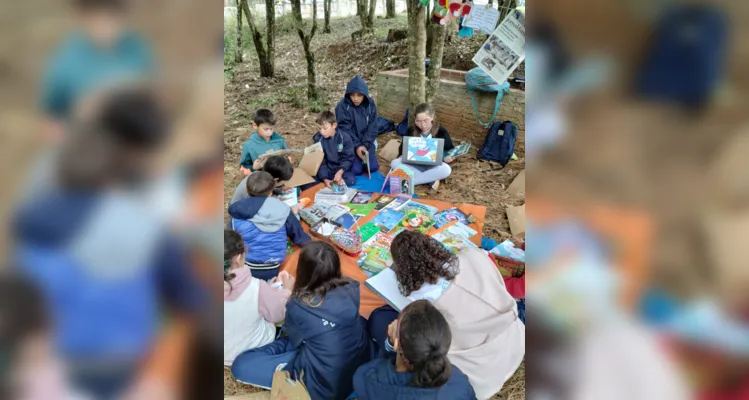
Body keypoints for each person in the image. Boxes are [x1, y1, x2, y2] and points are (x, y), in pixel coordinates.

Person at [13, 86, 206, 399]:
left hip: (45, 359)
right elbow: (189, 297)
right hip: (119, 363)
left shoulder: (43, 190)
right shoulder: (138, 224)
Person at [367, 231, 524, 399]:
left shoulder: (423, 302)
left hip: (478, 376)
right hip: (516, 343)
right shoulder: (473, 256)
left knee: (379, 319)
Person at [231, 242, 372, 400]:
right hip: (355, 369)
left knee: (242, 365)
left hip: (322, 388)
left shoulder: (299, 305)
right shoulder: (351, 287)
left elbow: (293, 341)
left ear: (303, 271)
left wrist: (288, 292)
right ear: (336, 267)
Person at [41, 0, 154, 140]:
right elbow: (51, 119)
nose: (105, 26)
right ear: (84, 19)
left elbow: (153, 96)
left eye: (111, 18)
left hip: (132, 137)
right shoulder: (66, 61)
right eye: (98, 18)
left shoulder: (136, 50)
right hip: (85, 140)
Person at [353, 299, 476, 400]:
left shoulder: (366, 377)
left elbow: (378, 368)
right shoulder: (459, 381)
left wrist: (388, 345)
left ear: (396, 344)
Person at [224, 230, 294, 366]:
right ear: (239, 258)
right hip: (249, 352)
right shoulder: (256, 287)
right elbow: (277, 316)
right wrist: (286, 291)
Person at [227, 171, 310, 280]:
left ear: (246, 189)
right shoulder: (282, 209)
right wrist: (309, 242)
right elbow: (298, 235)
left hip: (245, 265)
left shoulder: (237, 213)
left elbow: (230, 242)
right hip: (274, 265)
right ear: (271, 193)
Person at [393, 103, 455, 186]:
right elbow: (402, 148)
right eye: (418, 121)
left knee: (446, 169)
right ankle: (429, 180)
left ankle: (409, 181)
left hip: (432, 166)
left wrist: (447, 157)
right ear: (415, 119)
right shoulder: (411, 130)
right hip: (412, 165)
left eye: (426, 120)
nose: (422, 125)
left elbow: (449, 149)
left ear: (432, 117)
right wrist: (402, 155)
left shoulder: (441, 131)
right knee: (394, 163)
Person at [335, 75, 380, 175]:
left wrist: (365, 145)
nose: (355, 99)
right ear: (348, 95)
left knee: (373, 167)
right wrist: (357, 146)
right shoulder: (342, 106)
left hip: (366, 142)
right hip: (350, 143)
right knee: (356, 170)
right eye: (352, 95)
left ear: (364, 95)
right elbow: (344, 129)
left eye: (359, 95)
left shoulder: (370, 104)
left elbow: (373, 127)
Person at [313, 110, 356, 187]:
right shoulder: (318, 139)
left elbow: (348, 158)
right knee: (309, 182)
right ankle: (327, 182)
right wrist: (325, 178)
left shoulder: (345, 138)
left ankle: (335, 180)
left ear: (334, 125)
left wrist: (340, 172)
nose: (322, 132)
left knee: (350, 180)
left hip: (339, 168)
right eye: (319, 128)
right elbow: (320, 161)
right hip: (327, 169)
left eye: (325, 128)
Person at [239, 109, 288, 175]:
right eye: (266, 129)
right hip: (261, 179)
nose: (269, 132)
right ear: (255, 126)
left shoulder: (279, 140)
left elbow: (287, 155)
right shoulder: (249, 145)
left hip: (279, 175)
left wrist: (287, 160)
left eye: (271, 128)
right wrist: (253, 168)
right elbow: (244, 167)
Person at [230, 155, 294, 205]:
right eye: (282, 182)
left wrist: (279, 190)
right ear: (276, 180)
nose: (283, 184)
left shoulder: (258, 176)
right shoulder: (258, 188)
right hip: (242, 214)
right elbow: (261, 207)